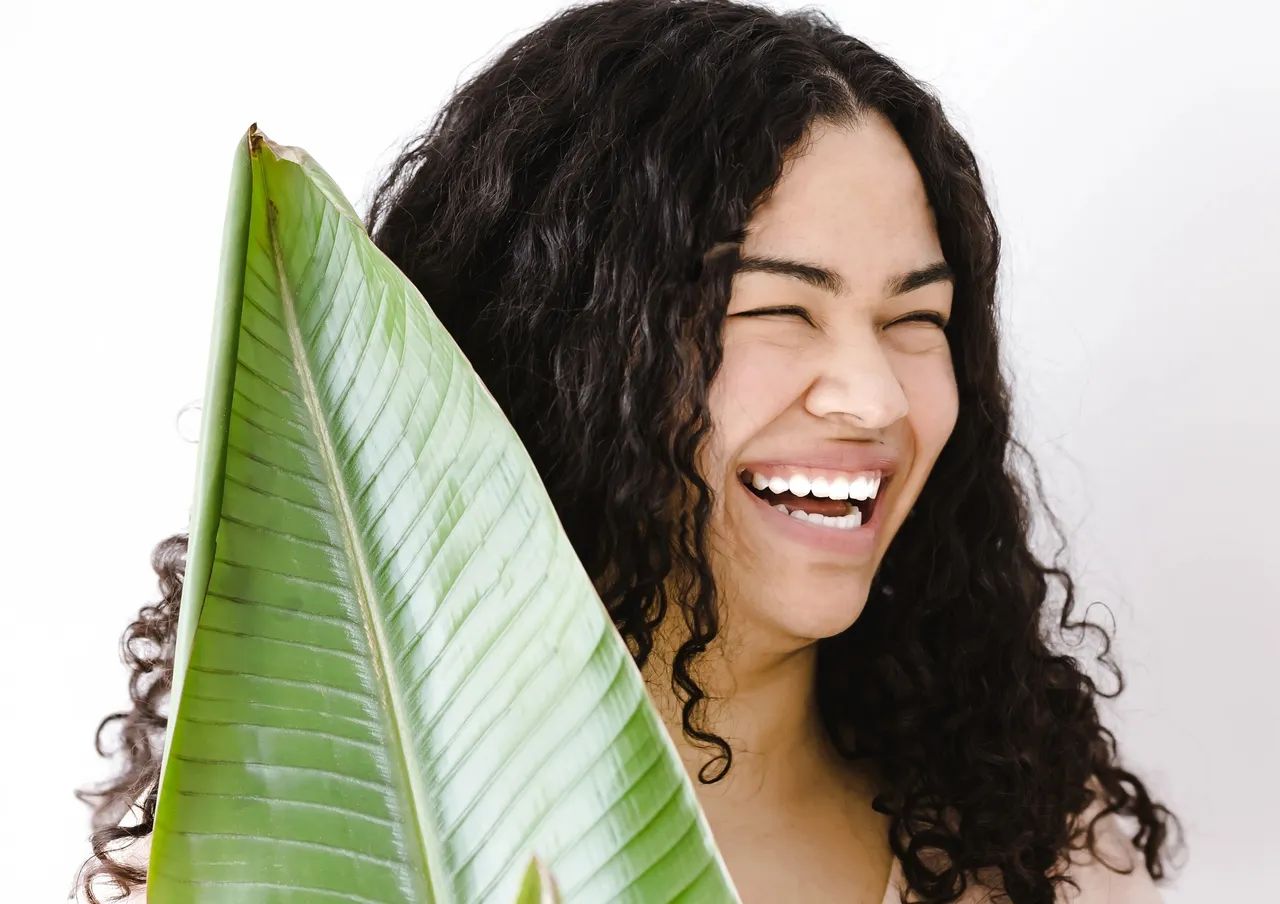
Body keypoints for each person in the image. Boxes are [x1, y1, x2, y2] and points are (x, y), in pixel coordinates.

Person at [74, 1, 1182, 901]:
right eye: (777, 311)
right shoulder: (304, 858)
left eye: (915, 320)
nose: (871, 395)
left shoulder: (1042, 851)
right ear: (574, 349)